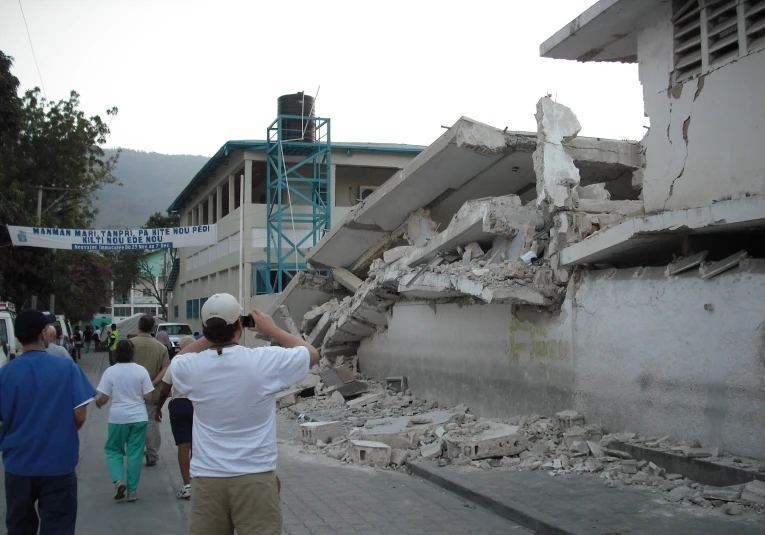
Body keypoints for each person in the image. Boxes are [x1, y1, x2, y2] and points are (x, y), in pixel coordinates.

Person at [171, 293, 319, 535]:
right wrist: (272, 330)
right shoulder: (263, 361)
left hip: (207, 480)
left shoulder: (191, 369)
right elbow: (311, 354)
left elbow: (179, 358)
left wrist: (209, 336)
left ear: (205, 330)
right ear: (240, 325)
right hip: (255, 477)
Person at [0, 309, 97, 534]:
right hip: (58, 463)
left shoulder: (5, 374)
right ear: (44, 334)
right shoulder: (67, 368)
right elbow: (80, 415)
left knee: (18, 525)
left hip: (18, 465)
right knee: (59, 525)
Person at [95, 340, 154, 503]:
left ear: (116, 354)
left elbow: (104, 398)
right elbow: (148, 396)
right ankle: (132, 491)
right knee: (135, 454)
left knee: (113, 450)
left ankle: (118, 480)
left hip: (118, 418)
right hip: (139, 417)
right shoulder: (141, 370)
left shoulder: (110, 372)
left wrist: (98, 403)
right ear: (132, 353)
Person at [156, 335, 195, 499]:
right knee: (198, 446)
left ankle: (187, 485)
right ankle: (200, 482)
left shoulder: (176, 364)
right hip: (198, 405)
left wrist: (158, 407)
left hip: (179, 404)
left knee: (183, 446)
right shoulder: (203, 364)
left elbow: (165, 389)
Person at [131, 315, 169, 467]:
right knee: (151, 422)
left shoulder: (129, 344)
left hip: (132, 391)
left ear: (139, 327)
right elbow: (165, 369)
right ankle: (152, 455)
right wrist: (152, 382)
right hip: (153, 392)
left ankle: (136, 452)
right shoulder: (161, 348)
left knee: (134, 423)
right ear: (153, 328)